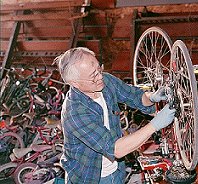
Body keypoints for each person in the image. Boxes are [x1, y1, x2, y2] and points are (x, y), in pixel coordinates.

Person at [55, 47, 176, 184]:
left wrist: (152, 97)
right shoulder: (74, 111)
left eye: (99, 69)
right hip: (90, 178)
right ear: (75, 83)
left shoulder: (105, 82)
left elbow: (135, 96)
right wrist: (156, 124)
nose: (100, 76)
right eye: (93, 76)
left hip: (117, 171)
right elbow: (115, 149)